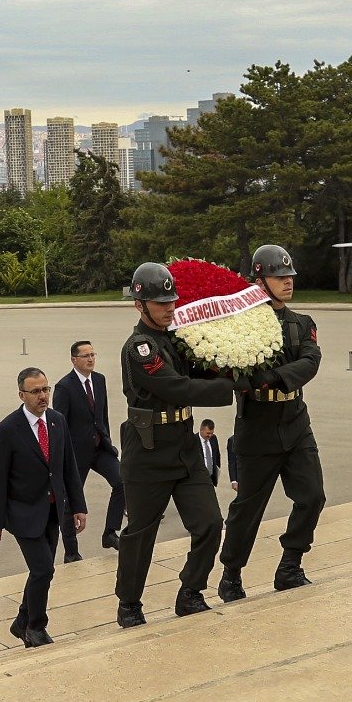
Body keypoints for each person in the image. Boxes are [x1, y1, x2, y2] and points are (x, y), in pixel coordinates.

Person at [114, 262, 236, 629]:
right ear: (139, 304)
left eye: (171, 300)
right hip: (148, 451)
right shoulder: (139, 349)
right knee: (140, 533)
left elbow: (201, 371)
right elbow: (175, 387)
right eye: (160, 302)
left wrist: (235, 362)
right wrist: (233, 388)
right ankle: (130, 604)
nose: (169, 307)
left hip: (183, 447)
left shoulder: (176, 339)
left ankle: (190, 592)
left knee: (211, 523)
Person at [218, 244, 327, 602]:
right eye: (279, 277)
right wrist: (255, 380)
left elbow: (311, 362)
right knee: (248, 507)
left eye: (289, 276)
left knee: (312, 496)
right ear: (259, 280)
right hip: (257, 425)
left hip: (295, 421)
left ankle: (290, 565)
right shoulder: (240, 326)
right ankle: (231, 574)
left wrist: (274, 377)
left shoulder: (302, 324)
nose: (287, 282)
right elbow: (235, 371)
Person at [0, 367, 87, 648]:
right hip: (23, 513)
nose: (43, 396)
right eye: (36, 391)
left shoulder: (57, 421)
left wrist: (78, 506)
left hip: (53, 511)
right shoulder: (8, 429)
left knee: (42, 570)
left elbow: (69, 468)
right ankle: (35, 626)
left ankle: (21, 621)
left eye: (46, 389)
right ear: (22, 394)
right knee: (43, 569)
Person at [51, 339, 124, 560]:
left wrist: (108, 441)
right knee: (70, 501)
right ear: (74, 360)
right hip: (75, 453)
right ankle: (71, 552)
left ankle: (110, 532)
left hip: (100, 447)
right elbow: (59, 424)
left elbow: (103, 415)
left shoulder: (100, 380)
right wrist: (62, 456)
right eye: (86, 356)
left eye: (93, 354)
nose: (91, 359)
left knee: (123, 481)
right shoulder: (64, 387)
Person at [198, 420, 222, 484]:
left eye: (212, 433)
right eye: (208, 433)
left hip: (211, 478)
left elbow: (217, 455)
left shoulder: (214, 438)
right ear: (201, 430)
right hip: (198, 478)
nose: (210, 435)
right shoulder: (193, 440)